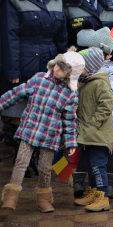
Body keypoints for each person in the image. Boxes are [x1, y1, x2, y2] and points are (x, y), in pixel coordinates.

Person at [0, 51, 85, 212]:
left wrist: (71, 141)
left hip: (50, 134)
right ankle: (11, 195)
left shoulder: (70, 94)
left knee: (45, 167)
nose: (57, 69)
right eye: (58, 65)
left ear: (69, 75)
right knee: (21, 161)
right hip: (30, 129)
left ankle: (44, 198)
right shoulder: (39, 79)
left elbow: (69, 120)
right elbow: (17, 93)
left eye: (62, 69)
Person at [0, 0, 68, 177]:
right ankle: (21, 157)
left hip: (51, 63)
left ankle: (38, 155)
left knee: (48, 110)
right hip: (23, 62)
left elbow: (62, 37)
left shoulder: (57, 2)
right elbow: (9, 35)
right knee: (19, 112)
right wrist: (12, 68)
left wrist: (67, 66)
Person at [73, 47, 113, 212]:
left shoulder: (99, 82)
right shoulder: (85, 81)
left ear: (90, 66)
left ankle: (102, 196)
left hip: (97, 132)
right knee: (91, 164)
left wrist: (94, 122)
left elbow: (107, 104)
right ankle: (93, 191)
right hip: (89, 132)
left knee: (98, 165)